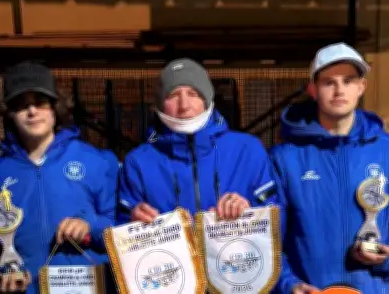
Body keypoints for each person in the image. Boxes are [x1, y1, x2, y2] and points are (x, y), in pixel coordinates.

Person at [271, 43, 389, 294]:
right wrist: (289, 285)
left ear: (362, 87)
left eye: (348, 80)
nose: (339, 90)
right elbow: (271, 238)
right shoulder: (284, 158)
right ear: (313, 89)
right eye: (329, 82)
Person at [0, 61, 118, 294]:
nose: (32, 111)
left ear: (55, 107)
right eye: (21, 105)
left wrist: (91, 226)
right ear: (9, 113)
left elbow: (121, 226)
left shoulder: (96, 161)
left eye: (40, 102)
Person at [117, 58, 279, 224]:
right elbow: (120, 228)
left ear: (207, 100)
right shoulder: (138, 162)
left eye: (193, 94)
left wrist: (249, 210)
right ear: (159, 105)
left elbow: (278, 217)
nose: (184, 105)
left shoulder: (248, 150)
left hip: (238, 249)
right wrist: (133, 221)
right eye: (173, 95)